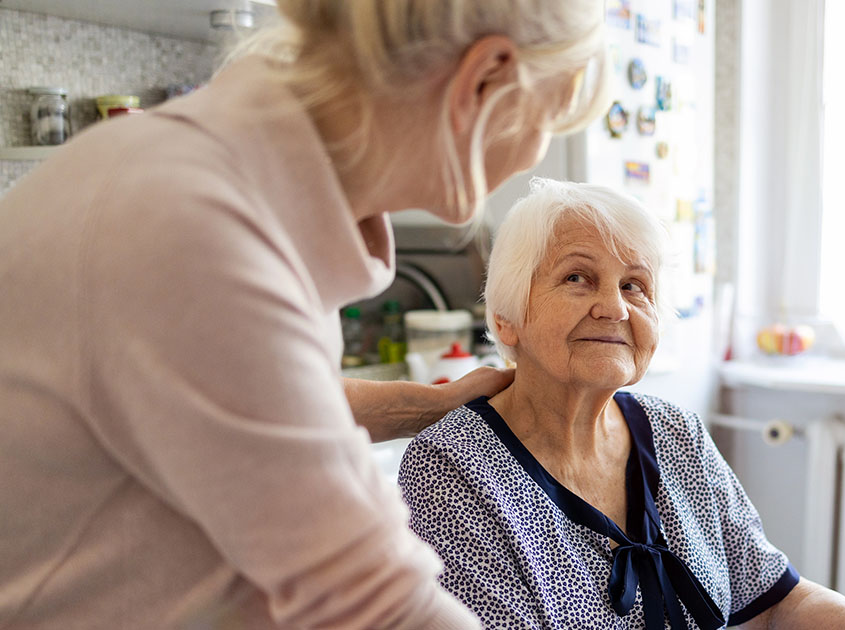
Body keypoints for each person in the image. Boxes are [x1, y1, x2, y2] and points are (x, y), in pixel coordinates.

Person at [0, 1, 609, 628]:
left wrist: (431, 406)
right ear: (483, 81)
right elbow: (375, 607)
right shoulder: (193, 229)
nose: (537, 152)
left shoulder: (236, 190)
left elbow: (247, 401)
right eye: (550, 118)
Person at [399, 178, 845, 630]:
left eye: (634, 285)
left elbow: (779, 599)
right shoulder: (449, 468)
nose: (614, 307)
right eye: (576, 278)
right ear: (507, 319)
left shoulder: (676, 433)